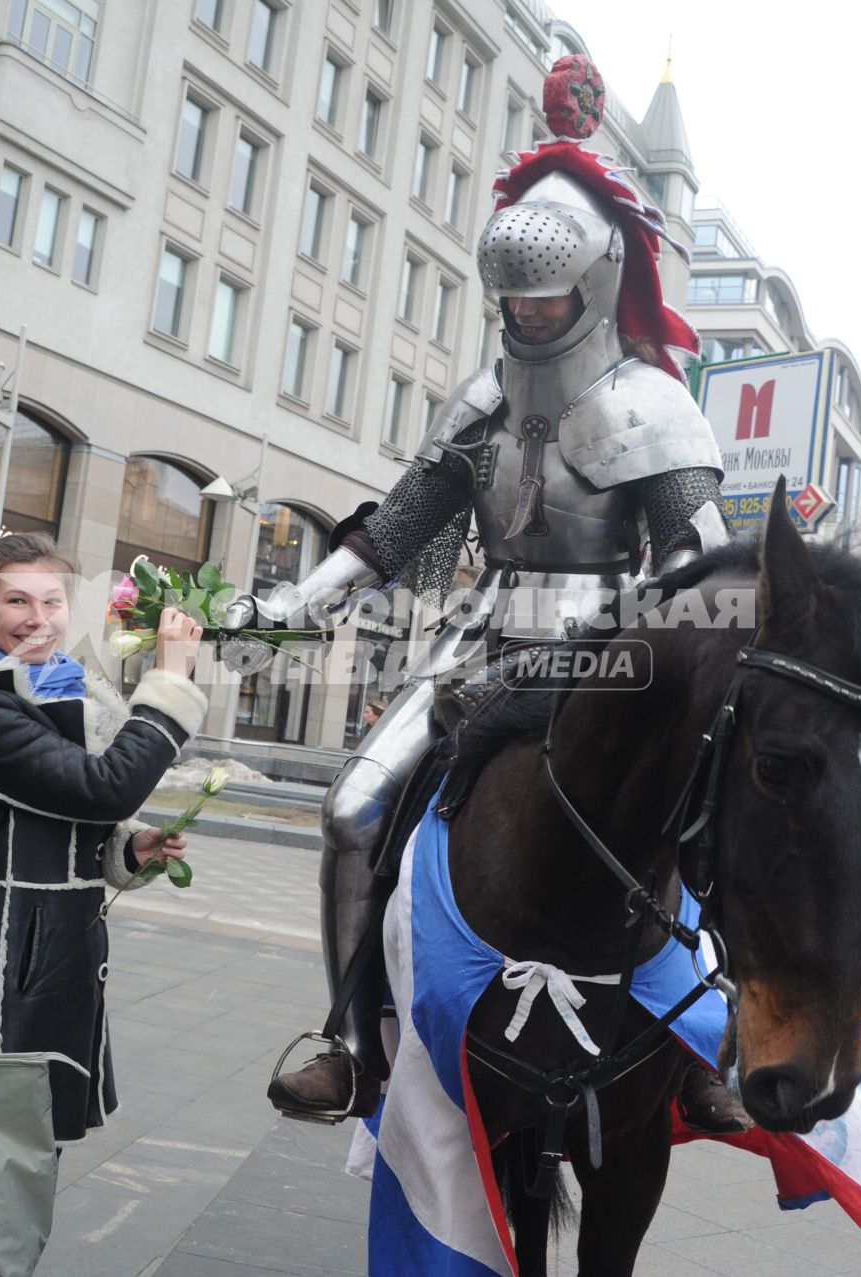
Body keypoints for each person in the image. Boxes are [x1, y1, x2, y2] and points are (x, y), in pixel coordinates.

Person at [237, 58, 729, 1125]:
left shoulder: (658, 406)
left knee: (705, 809)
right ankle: (350, 1038)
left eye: (546, 292)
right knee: (354, 808)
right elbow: (398, 524)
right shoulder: (480, 399)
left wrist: (670, 650)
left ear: (594, 284)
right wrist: (293, 604)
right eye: (512, 296)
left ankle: (704, 1039)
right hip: (481, 635)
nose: (530, 312)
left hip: (614, 640)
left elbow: (693, 559)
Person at [0, 532, 208, 1141]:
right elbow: (104, 788)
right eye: (17, 602)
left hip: (59, 944)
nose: (38, 619)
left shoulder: (59, 689)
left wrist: (125, 850)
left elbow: (70, 810)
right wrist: (169, 682)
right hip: (10, 946)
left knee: (37, 1138)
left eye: (52, 602)